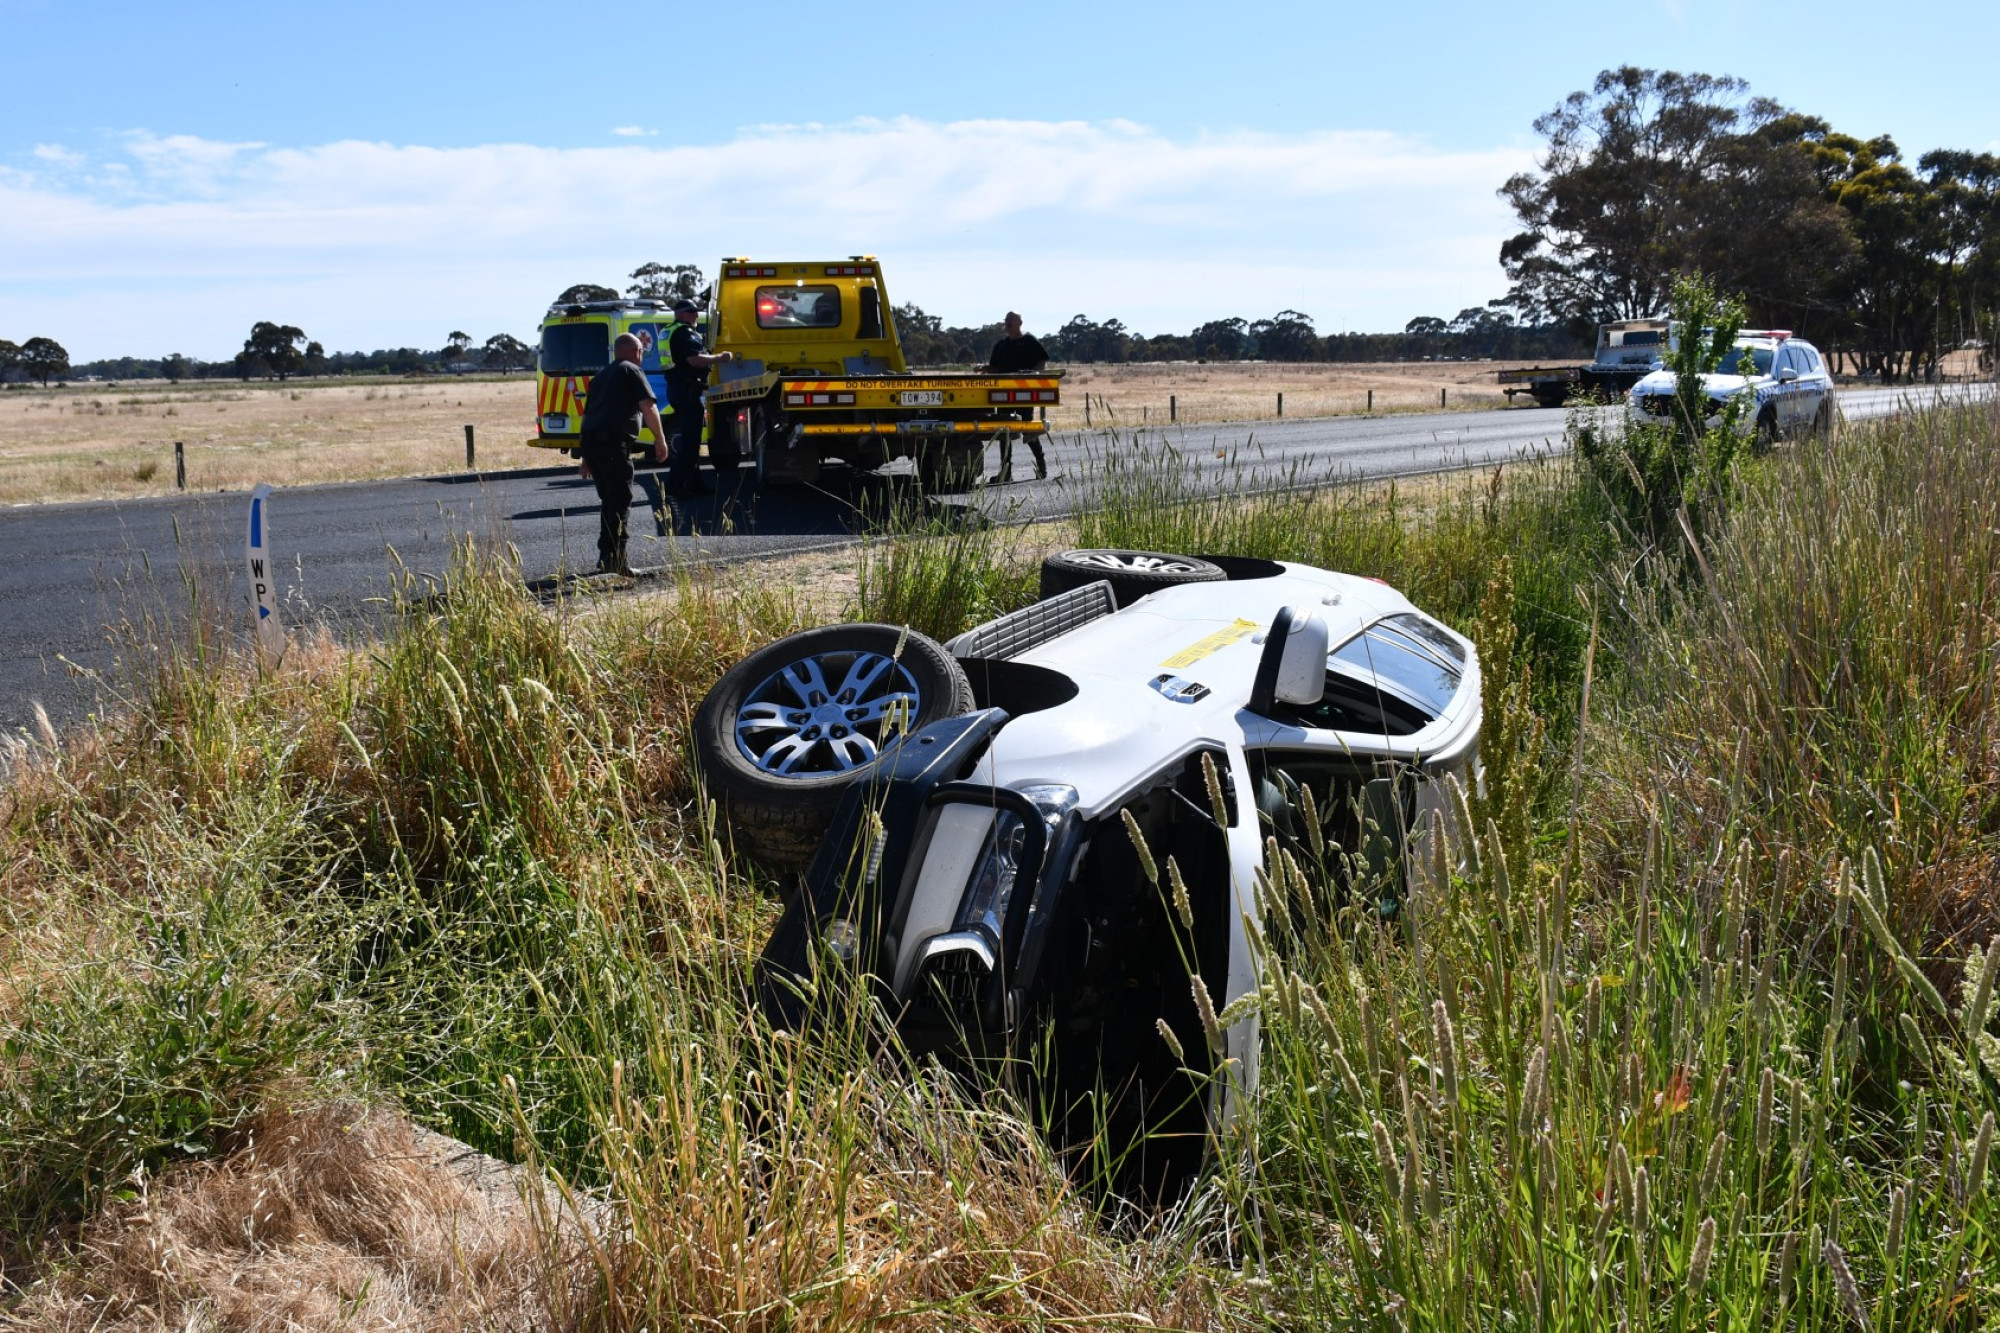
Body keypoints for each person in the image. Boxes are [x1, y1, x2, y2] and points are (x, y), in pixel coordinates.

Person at [576, 332, 667, 576]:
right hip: (614, 444)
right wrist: (660, 439)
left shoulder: (600, 377)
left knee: (609, 501)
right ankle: (617, 559)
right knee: (620, 501)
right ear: (637, 351)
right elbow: (648, 406)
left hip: (593, 444)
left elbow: (588, 417)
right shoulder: (632, 371)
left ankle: (606, 557)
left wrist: (586, 457)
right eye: (641, 353)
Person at [661, 296, 734, 496]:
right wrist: (720, 358)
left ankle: (695, 484)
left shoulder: (668, 330)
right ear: (683, 314)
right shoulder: (684, 333)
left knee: (690, 440)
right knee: (690, 442)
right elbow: (694, 360)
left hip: (678, 388)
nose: (696, 316)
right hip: (687, 390)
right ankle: (673, 486)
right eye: (693, 312)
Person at [980, 311, 1050, 481]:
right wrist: (984, 368)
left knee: (1027, 428)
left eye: (1011, 320)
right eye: (1006, 320)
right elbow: (995, 368)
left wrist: (1032, 375)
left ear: (1020, 322)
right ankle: (1006, 472)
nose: (1008, 323)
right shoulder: (1001, 345)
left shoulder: (1029, 341)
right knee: (1004, 430)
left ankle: (1041, 464)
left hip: (1024, 393)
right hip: (1004, 393)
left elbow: (1042, 362)